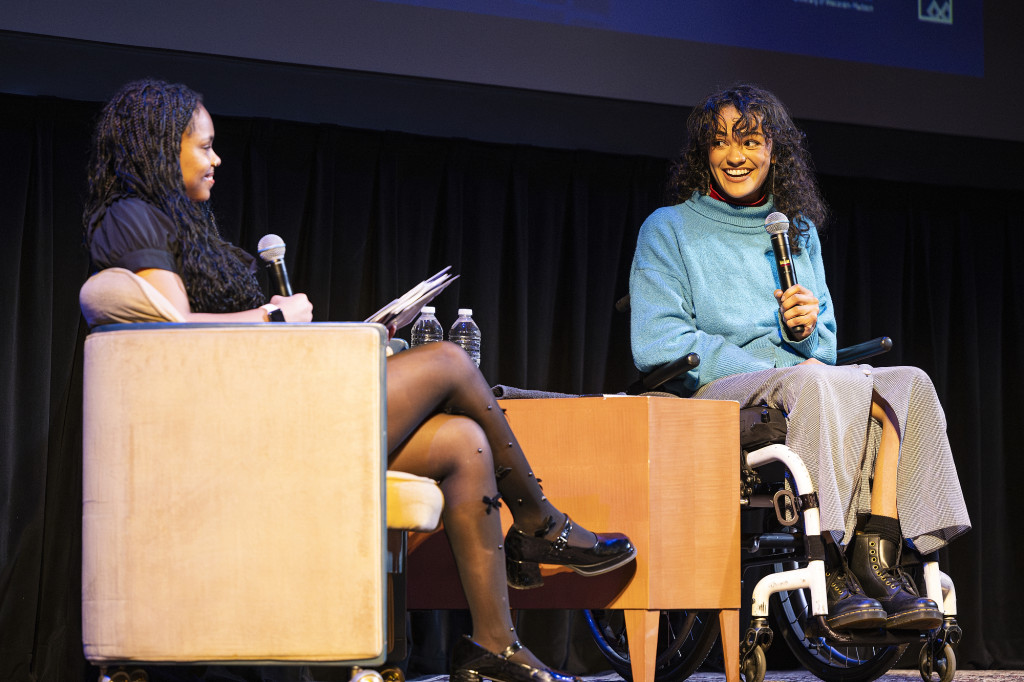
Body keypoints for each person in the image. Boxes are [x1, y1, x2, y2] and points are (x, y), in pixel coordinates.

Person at [83, 79, 636, 682]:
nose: (216, 160)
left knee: (463, 444)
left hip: (273, 413)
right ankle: (538, 525)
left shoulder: (182, 225)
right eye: (205, 146)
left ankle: (491, 645)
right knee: (451, 360)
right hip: (244, 439)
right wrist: (271, 315)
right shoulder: (131, 217)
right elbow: (178, 334)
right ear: (163, 148)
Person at [629, 84, 970, 632]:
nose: (734, 156)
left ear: (775, 151)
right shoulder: (667, 229)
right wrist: (775, 367)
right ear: (703, 153)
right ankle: (827, 559)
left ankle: (878, 559)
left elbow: (826, 349)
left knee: (909, 382)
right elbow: (659, 341)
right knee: (814, 384)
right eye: (719, 143)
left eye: (749, 141)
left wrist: (806, 330)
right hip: (712, 393)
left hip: (798, 380)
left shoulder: (796, 232)